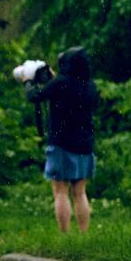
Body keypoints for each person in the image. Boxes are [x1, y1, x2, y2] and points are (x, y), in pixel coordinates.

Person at [32, 48, 98, 233]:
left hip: (61, 143)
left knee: (60, 191)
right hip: (85, 143)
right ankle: (84, 232)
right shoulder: (89, 86)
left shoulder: (60, 84)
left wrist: (28, 81)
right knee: (80, 192)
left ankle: (65, 233)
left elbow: (35, 96)